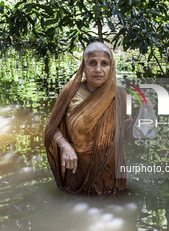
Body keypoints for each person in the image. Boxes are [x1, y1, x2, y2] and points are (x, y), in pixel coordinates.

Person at [44, 42, 134, 196]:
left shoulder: (119, 95)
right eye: (92, 63)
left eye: (104, 64)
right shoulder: (70, 92)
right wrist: (65, 147)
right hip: (77, 170)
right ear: (84, 67)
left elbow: (128, 135)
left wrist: (143, 119)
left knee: (112, 204)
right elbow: (51, 127)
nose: (98, 69)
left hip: (110, 171)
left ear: (110, 68)